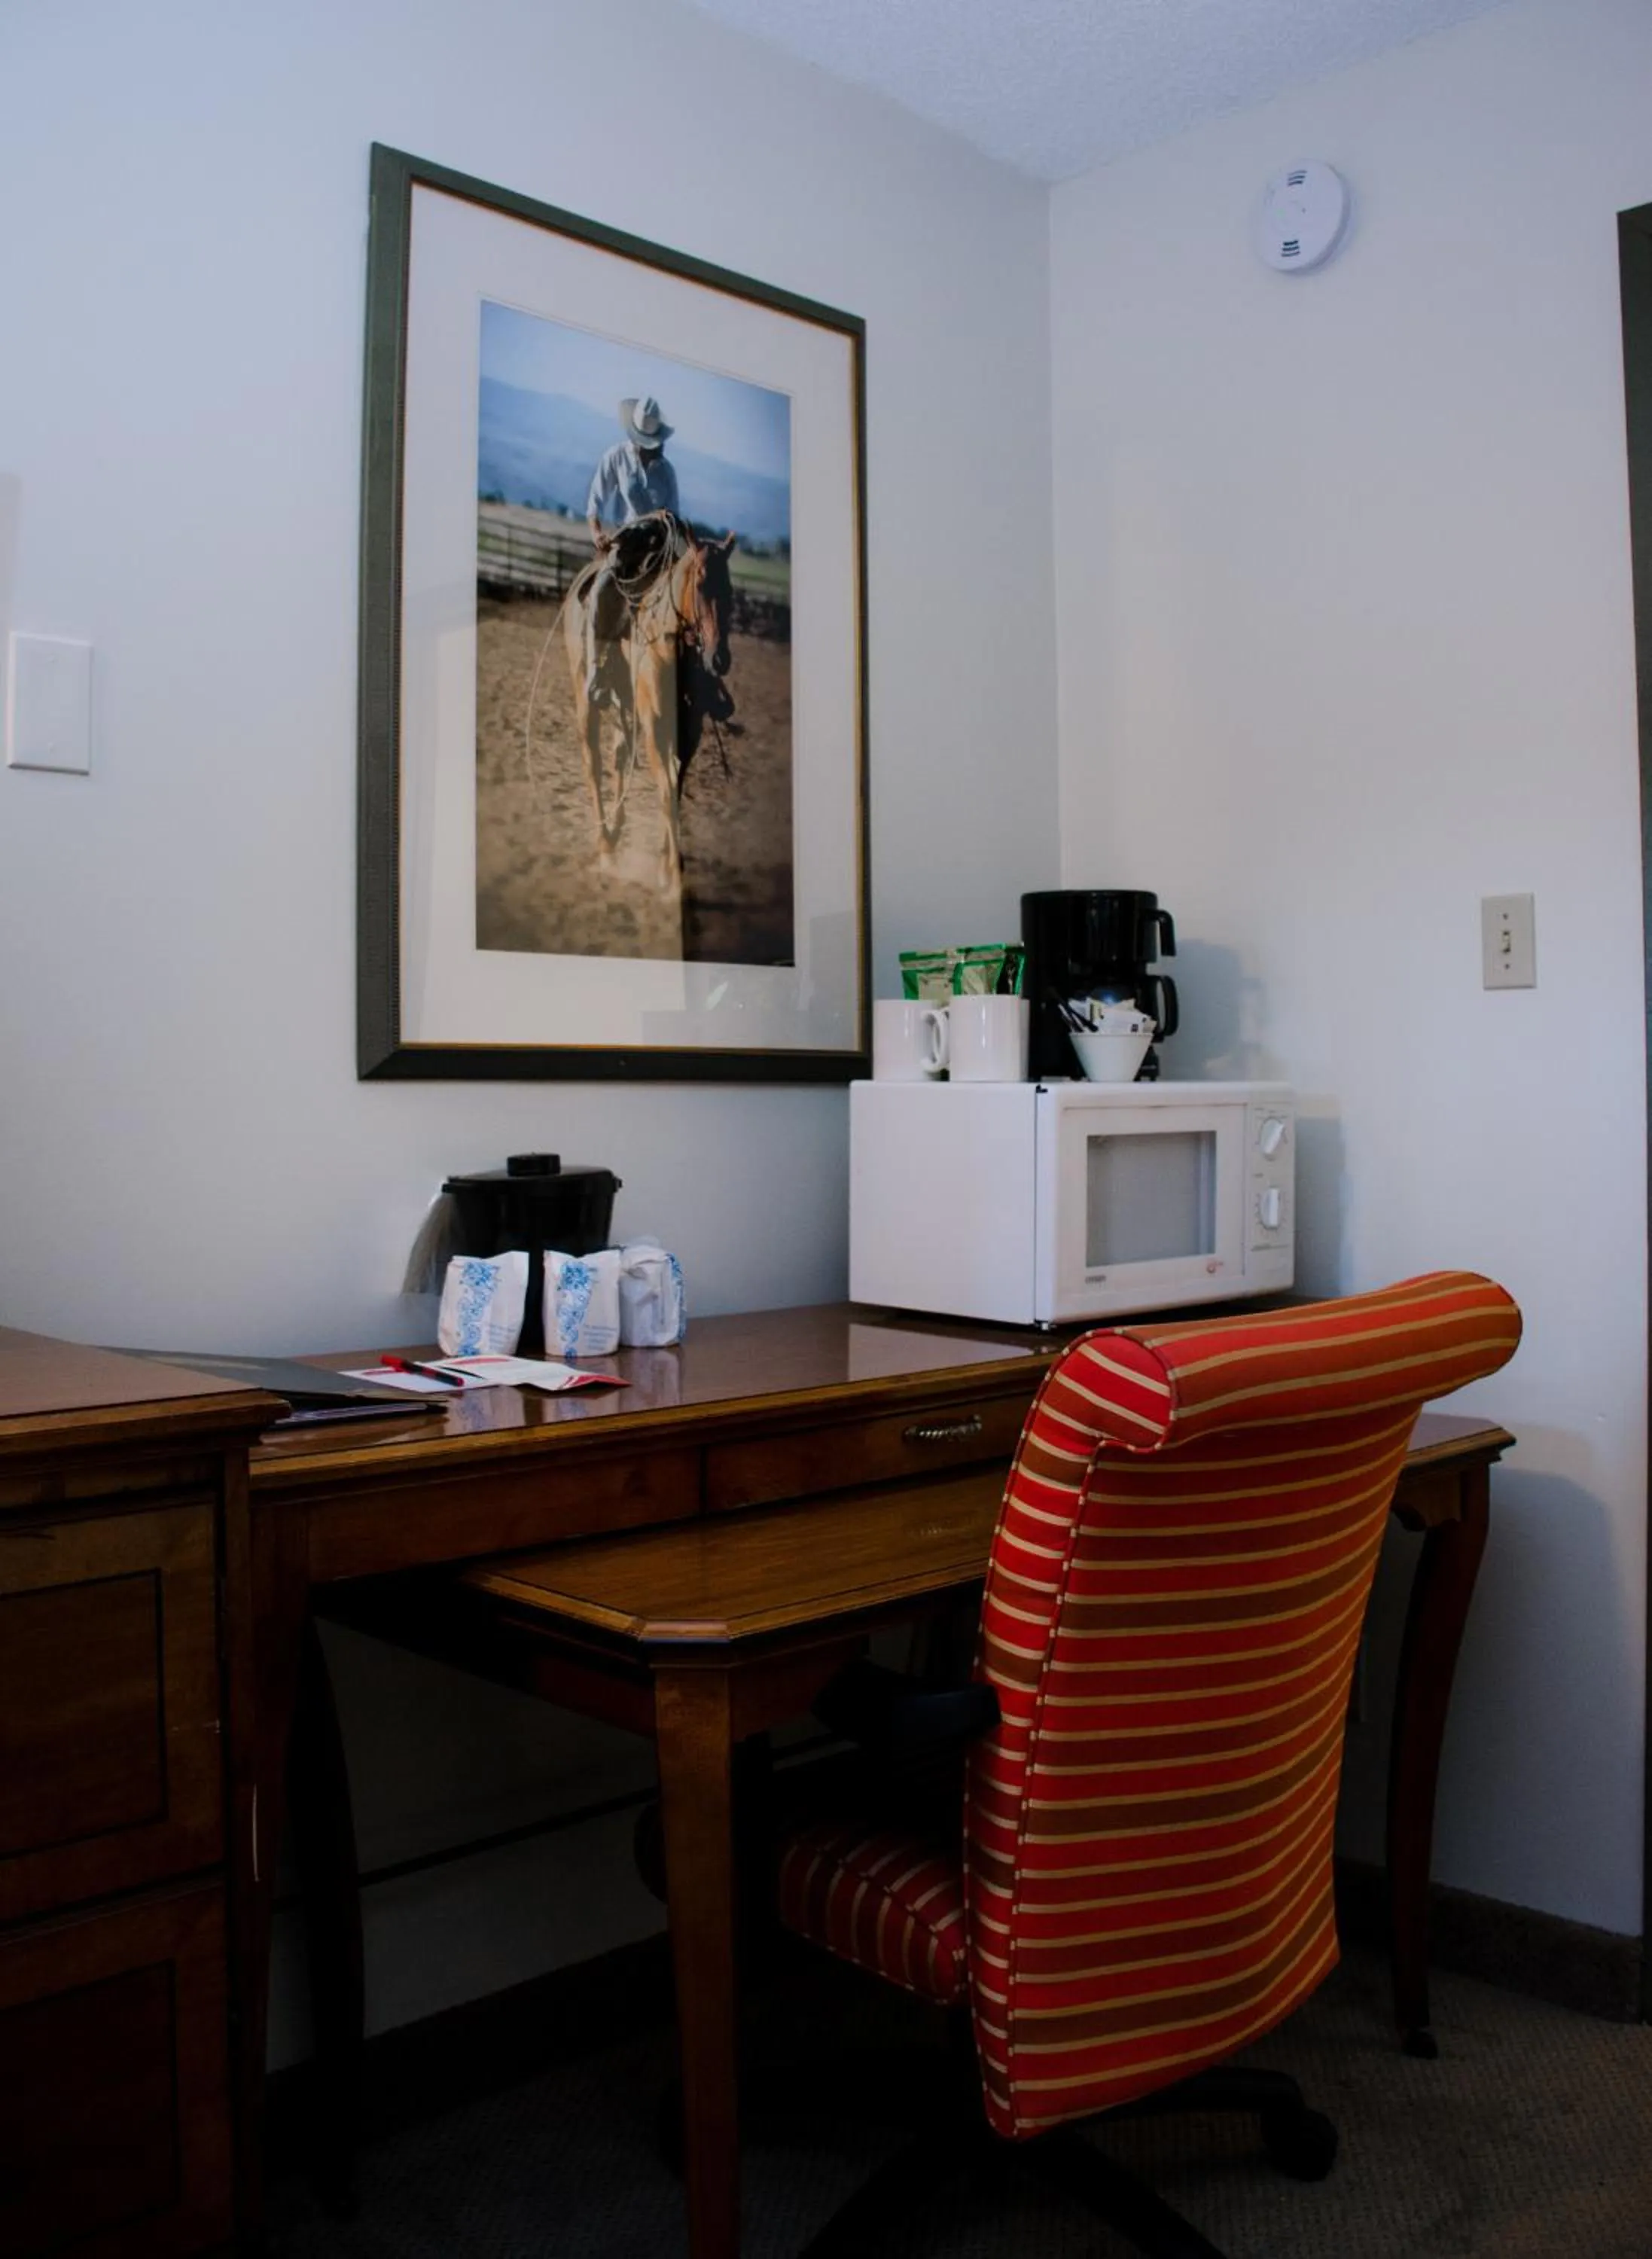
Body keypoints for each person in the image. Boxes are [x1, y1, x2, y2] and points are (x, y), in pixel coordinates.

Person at [582, 395, 681, 707]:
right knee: (600, 593)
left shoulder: (667, 472)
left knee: (686, 601)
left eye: (658, 441)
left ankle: (690, 678)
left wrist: (666, 523)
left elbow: (675, 515)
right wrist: (597, 533)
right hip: (625, 544)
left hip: (658, 546)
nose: (658, 447)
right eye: (651, 441)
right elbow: (594, 503)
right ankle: (597, 670)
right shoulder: (616, 458)